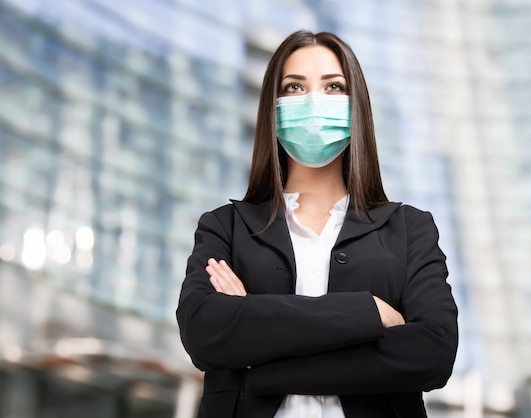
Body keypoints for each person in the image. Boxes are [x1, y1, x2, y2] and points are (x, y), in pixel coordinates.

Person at [176, 30, 458, 418]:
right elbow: (204, 332)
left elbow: (433, 352)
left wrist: (262, 357)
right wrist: (368, 313)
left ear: (355, 104)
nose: (313, 101)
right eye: (294, 87)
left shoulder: (410, 230)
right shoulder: (226, 227)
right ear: (271, 109)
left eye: (333, 86)